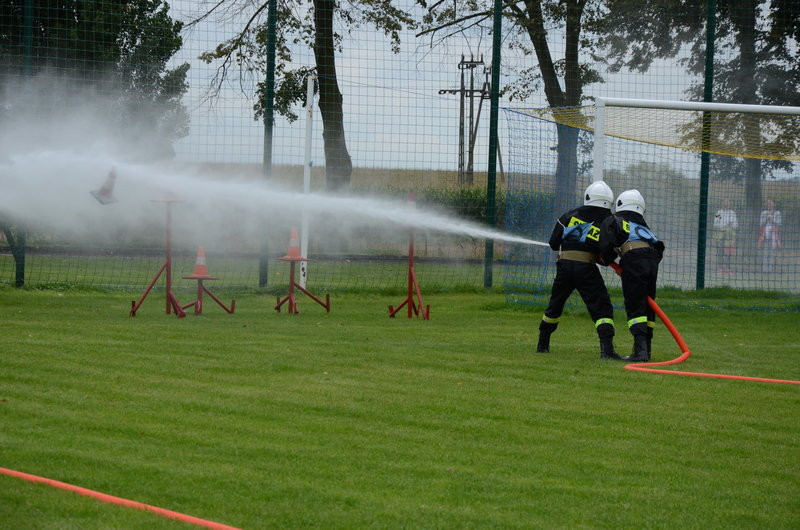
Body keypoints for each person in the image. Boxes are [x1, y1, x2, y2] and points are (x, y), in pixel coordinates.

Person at [536, 181, 621, 360]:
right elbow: (607, 254)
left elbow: (553, 244)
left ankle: (542, 344)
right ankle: (607, 350)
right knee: (601, 306)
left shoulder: (569, 215)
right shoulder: (610, 220)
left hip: (564, 267)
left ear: (588, 196)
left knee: (555, 305)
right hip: (586, 268)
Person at [598, 189, 665, 362]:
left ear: (620, 204)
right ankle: (646, 350)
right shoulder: (644, 227)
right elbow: (659, 248)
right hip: (651, 261)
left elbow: (606, 250)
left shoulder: (614, 220)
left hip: (633, 259)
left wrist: (608, 260)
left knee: (635, 304)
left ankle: (640, 352)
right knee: (648, 306)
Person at [713, 199, 738, 274]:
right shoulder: (719, 213)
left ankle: (728, 268)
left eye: (728, 202)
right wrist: (724, 225)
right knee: (720, 251)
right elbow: (715, 224)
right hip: (721, 235)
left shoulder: (733, 213)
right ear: (722, 203)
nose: (726, 204)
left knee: (728, 252)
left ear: (730, 204)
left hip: (729, 236)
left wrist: (731, 225)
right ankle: (720, 268)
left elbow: (736, 225)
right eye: (725, 202)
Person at [757, 198, 782, 273]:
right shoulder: (763, 213)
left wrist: (772, 220)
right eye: (768, 203)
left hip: (774, 234)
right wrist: (766, 219)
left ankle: (770, 269)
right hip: (765, 234)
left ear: (774, 204)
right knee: (765, 252)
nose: (769, 204)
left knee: (772, 252)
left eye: (771, 203)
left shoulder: (777, 213)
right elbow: (761, 224)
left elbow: (779, 223)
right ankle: (764, 269)